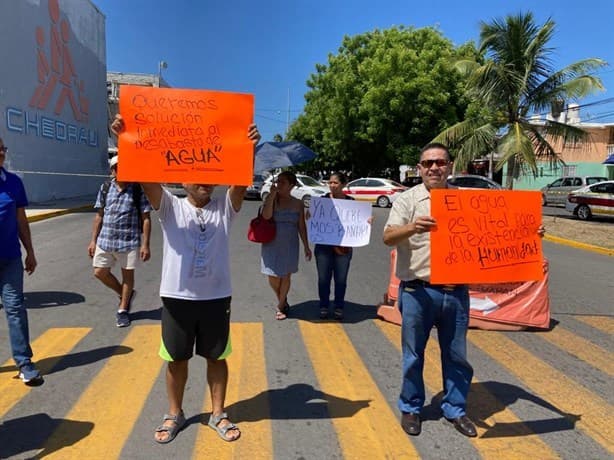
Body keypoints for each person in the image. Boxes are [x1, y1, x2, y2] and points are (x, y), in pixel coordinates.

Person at [112, 115, 261, 444]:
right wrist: (126, 138)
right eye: (197, 175)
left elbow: (239, 180)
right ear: (183, 177)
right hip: (177, 299)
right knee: (176, 360)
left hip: (216, 298)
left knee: (217, 357)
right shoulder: (169, 206)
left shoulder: (226, 207)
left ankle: (218, 413)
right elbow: (144, 175)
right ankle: (174, 413)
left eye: (210, 175)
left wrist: (247, 146)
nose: (204, 182)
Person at [87, 155, 152, 327]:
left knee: (128, 276)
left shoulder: (138, 189)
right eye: (117, 168)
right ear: (112, 170)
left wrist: (145, 244)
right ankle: (125, 294)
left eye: (124, 167)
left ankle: (123, 309)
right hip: (105, 240)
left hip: (128, 242)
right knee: (99, 272)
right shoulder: (106, 188)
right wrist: (93, 240)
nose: (121, 171)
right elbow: (99, 215)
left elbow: (146, 218)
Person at [0, 137, 43, 386]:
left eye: (3, 149)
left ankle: (24, 363)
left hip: (10, 260)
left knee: (15, 309)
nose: (1, 153)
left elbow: (21, 222)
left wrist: (30, 252)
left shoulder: (14, 183)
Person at [260, 171, 312, 320]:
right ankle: (283, 299)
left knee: (286, 276)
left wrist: (306, 246)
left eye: (283, 182)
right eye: (278, 182)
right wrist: (271, 196)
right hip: (271, 242)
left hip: (290, 243)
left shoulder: (298, 203)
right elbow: (266, 216)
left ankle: (281, 305)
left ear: (291, 185)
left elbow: (301, 226)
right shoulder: (272, 199)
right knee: (272, 276)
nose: (279, 185)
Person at [312, 172, 354, 320]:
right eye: (330, 182)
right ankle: (323, 305)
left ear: (343, 184)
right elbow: (313, 217)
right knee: (323, 279)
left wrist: (366, 221)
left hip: (343, 248)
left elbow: (358, 220)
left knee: (341, 279)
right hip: (323, 247)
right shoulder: (321, 201)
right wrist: (310, 215)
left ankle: (338, 306)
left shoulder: (351, 202)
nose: (332, 185)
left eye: (335, 183)